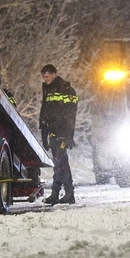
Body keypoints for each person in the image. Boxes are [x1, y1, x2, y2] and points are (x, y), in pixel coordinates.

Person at [39, 64, 78, 205]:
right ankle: (67, 193)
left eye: (47, 76)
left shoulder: (66, 90)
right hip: (53, 132)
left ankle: (59, 193)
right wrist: (44, 132)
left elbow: (70, 115)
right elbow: (45, 112)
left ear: (54, 74)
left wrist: (68, 135)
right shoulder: (48, 89)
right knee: (61, 162)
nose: (45, 79)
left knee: (60, 162)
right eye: (43, 76)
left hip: (62, 132)